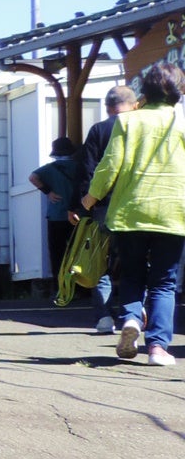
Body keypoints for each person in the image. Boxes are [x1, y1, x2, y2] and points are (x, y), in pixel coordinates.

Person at [80, 62, 185, 367]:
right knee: (164, 282)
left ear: (145, 90)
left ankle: (130, 319)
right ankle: (158, 349)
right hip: (173, 213)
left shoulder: (127, 122)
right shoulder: (181, 122)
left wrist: (91, 197)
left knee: (132, 274)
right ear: (179, 90)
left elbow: (109, 166)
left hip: (130, 212)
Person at [70, 84, 138, 332]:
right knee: (135, 261)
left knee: (101, 263)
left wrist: (81, 205)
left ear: (108, 107)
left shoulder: (98, 130)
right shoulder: (141, 127)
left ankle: (104, 318)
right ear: (135, 105)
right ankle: (134, 314)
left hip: (103, 206)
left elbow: (87, 170)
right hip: (136, 205)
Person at [29, 136, 83, 298]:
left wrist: (48, 192)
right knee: (78, 252)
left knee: (57, 253)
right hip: (78, 215)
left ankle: (60, 288)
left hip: (56, 215)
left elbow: (32, 177)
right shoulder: (80, 167)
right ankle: (80, 288)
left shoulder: (50, 168)